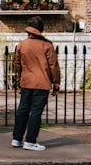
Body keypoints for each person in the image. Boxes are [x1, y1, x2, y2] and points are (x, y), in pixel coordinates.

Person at [12, 16, 61, 151]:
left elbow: (17, 64)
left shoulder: (22, 44)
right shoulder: (46, 45)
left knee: (22, 110)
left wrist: (21, 77)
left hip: (26, 82)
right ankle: (30, 141)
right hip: (42, 83)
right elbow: (53, 66)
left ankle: (16, 138)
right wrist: (56, 83)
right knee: (35, 113)